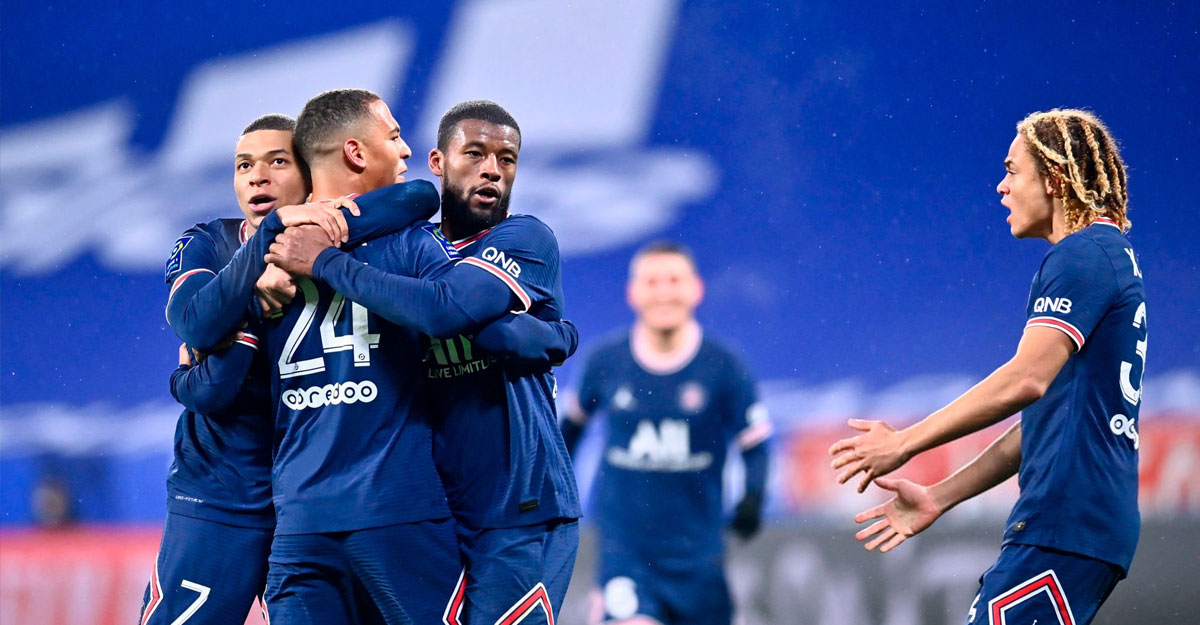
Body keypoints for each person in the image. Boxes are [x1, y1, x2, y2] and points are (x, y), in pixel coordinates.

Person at [266, 100, 582, 624]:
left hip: (519, 506)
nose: (492, 169)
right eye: (474, 153)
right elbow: (461, 314)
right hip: (435, 506)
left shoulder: (524, 238)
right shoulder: (410, 246)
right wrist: (538, 333)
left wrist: (323, 261)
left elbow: (444, 311)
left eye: (506, 159)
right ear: (438, 162)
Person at [829, 109, 1143, 625]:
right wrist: (939, 496)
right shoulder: (1105, 256)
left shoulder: (1083, 255)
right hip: (1078, 524)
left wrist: (905, 442)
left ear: (1054, 179)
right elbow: (1043, 421)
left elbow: (1026, 379)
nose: (1002, 186)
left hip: (1065, 523)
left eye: (1013, 171)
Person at [140, 114, 309, 625]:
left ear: (310, 171)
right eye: (244, 165)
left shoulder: (339, 251)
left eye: (277, 161)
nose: (257, 176)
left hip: (311, 501)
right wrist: (255, 292)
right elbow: (193, 320)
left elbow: (211, 384)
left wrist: (228, 326)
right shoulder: (209, 243)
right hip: (216, 498)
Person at [560, 241, 772, 625]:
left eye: (674, 281)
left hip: (700, 556)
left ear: (696, 289)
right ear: (633, 293)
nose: (663, 293)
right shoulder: (606, 361)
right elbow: (567, 434)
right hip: (625, 551)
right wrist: (550, 499)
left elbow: (755, 444)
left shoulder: (723, 366)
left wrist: (753, 498)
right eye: (652, 282)